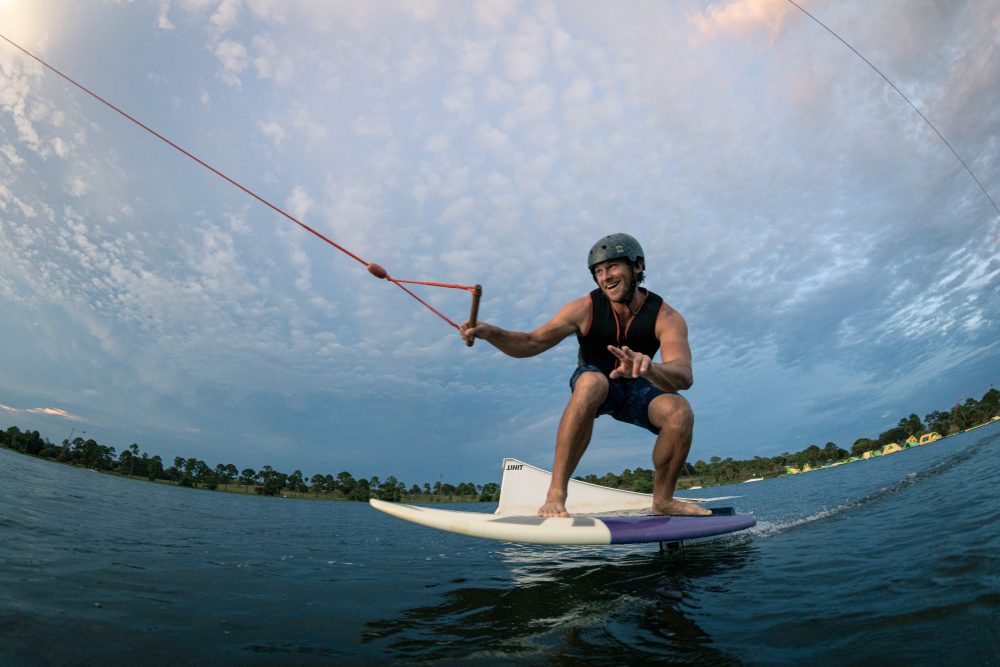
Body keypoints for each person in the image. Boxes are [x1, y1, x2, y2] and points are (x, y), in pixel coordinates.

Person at [461, 233, 712, 518]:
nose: (605, 277)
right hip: (595, 380)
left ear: (638, 266)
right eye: (598, 272)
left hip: (639, 386)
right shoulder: (584, 308)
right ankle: (556, 494)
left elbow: (684, 375)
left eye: (613, 267)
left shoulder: (665, 316)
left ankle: (663, 500)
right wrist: (491, 333)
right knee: (592, 382)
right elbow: (531, 343)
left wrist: (649, 367)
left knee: (679, 411)